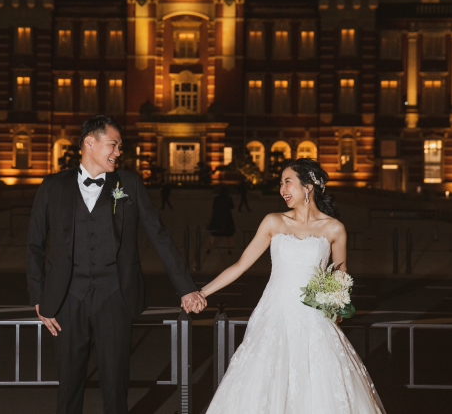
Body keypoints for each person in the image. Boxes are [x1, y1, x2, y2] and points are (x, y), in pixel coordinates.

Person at [27, 115, 207, 414]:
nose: (118, 152)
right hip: (67, 300)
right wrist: (39, 299)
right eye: (113, 145)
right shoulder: (52, 186)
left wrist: (186, 289)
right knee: (69, 386)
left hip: (115, 298)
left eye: (119, 147)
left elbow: (159, 237)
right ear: (90, 143)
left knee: (115, 386)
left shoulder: (130, 184)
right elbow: (34, 245)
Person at [202, 158, 386, 413]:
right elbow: (240, 265)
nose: (282, 190)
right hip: (273, 315)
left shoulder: (334, 228)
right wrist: (201, 293)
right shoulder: (273, 221)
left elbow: (340, 275)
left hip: (314, 322)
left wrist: (335, 307)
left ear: (308, 187)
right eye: (280, 184)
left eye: (288, 182)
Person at [207, 186, 235, 254]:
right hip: (227, 218)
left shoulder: (216, 198)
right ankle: (229, 249)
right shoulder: (229, 198)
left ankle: (209, 248)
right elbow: (232, 206)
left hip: (217, 217)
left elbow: (213, 207)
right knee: (229, 234)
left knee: (213, 233)